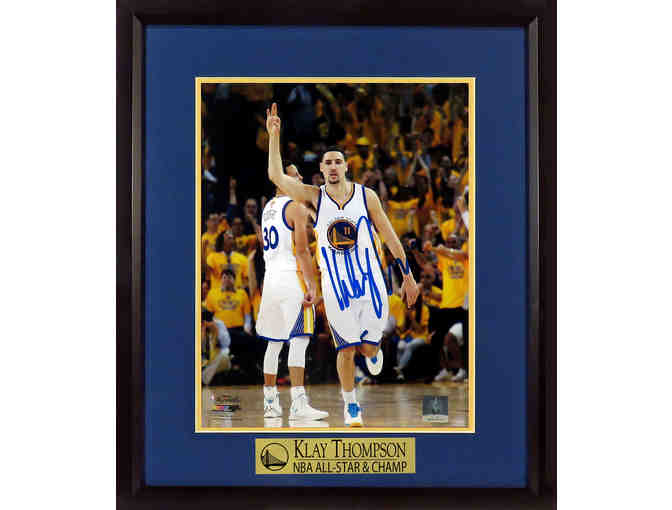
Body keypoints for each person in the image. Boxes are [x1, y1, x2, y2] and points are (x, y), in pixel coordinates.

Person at [265, 103, 420, 426]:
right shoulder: (313, 197)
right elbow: (276, 176)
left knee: (367, 349)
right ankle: (351, 406)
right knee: (346, 349)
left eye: (338, 161)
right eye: (328, 162)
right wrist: (274, 135)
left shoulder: (367, 197)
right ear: (321, 170)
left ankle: (374, 350)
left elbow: (391, 238)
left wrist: (408, 277)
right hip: (336, 288)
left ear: (346, 166)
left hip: (371, 282)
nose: (333, 166)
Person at [255, 162, 328, 421]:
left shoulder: (268, 208)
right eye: (296, 176)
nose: (301, 179)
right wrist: (312, 285)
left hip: (271, 280)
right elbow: (302, 251)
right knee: (299, 339)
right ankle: (298, 403)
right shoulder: (295, 207)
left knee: (274, 343)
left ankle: (270, 403)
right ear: (282, 181)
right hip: (291, 279)